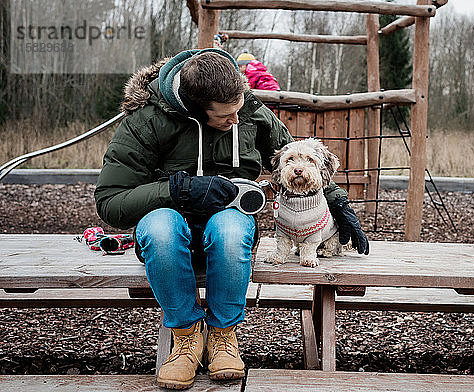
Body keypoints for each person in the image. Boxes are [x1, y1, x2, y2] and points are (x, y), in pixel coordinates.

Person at [94, 48, 368, 389]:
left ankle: (223, 335)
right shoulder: (148, 119)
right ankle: (186, 337)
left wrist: (336, 203)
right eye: (225, 116)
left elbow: (297, 162)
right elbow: (110, 202)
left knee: (230, 229)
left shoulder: (249, 111)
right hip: (168, 223)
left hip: (229, 223)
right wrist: (177, 190)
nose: (236, 120)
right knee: (161, 228)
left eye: (238, 108)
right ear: (194, 108)